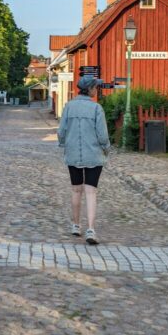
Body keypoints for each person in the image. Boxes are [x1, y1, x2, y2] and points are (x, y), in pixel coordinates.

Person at [57, 76, 111, 245]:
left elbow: (61, 131)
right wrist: (106, 148)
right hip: (94, 155)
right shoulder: (96, 108)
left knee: (76, 190)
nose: (97, 90)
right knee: (90, 192)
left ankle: (75, 225)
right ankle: (91, 229)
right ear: (90, 89)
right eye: (96, 87)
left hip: (73, 154)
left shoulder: (68, 107)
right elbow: (103, 135)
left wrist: (65, 144)